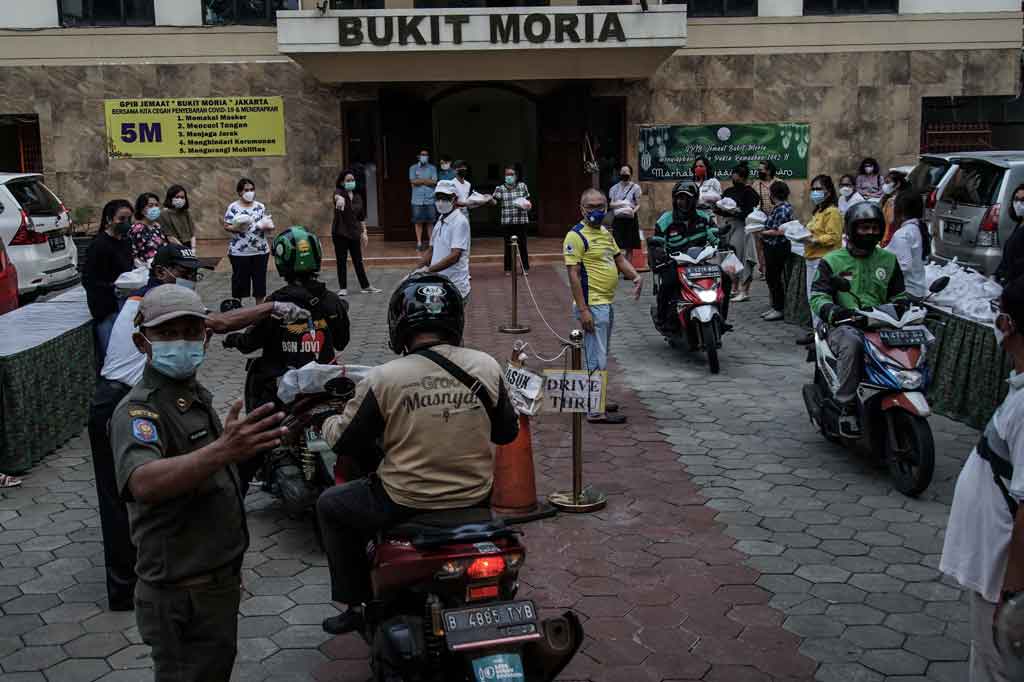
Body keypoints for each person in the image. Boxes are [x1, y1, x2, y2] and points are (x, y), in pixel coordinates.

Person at [91, 244, 308, 612]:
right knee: (122, 499)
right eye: (184, 271)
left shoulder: (159, 313)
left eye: (194, 273)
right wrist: (272, 307)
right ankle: (129, 586)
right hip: (121, 400)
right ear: (161, 272)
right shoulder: (156, 303)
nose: (191, 279)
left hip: (142, 397)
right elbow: (220, 323)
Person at [316, 272, 519, 635]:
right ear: (456, 319)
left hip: (404, 500)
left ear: (399, 324)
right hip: (474, 496)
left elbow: (344, 442)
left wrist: (329, 420)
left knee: (331, 505)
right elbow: (507, 432)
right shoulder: (487, 366)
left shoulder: (385, 378)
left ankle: (356, 603)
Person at [109, 284, 288, 681]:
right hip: (180, 593)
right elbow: (143, 482)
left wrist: (246, 451)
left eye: (191, 332)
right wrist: (223, 450)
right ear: (142, 342)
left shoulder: (191, 396)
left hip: (213, 582)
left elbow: (212, 477)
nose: (182, 342)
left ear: (206, 337)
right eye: (168, 334)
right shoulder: (139, 409)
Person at [940, 276, 1024, 682]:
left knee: (997, 668)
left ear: (1008, 324)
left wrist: (1012, 591)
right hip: (994, 573)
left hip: (1002, 577)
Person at [224, 226, 351, 411]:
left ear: (281, 260)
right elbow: (341, 342)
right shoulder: (333, 300)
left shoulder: (274, 303)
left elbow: (250, 342)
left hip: (281, 386)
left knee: (263, 425)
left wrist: (234, 339)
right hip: (324, 382)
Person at [809, 202, 908, 437]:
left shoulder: (888, 260)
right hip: (844, 326)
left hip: (882, 325)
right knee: (853, 343)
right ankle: (847, 404)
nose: (870, 232)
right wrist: (835, 312)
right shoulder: (832, 261)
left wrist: (906, 305)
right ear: (852, 230)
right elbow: (818, 297)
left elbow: (899, 294)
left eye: (875, 228)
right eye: (864, 228)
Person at [564, 189, 643, 425]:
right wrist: (584, 309)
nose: (596, 211)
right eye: (591, 207)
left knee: (600, 354)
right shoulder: (576, 236)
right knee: (595, 358)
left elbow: (618, 258)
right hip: (593, 306)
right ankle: (595, 410)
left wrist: (636, 276)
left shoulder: (606, 234)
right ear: (582, 209)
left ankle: (596, 398)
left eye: (601, 206)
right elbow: (573, 275)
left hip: (605, 304)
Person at [650, 181, 729, 330]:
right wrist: (659, 251)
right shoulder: (665, 220)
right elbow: (658, 241)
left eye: (687, 198)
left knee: (726, 279)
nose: (683, 202)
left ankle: (722, 318)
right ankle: (663, 319)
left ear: (694, 200)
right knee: (668, 283)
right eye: (680, 198)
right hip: (674, 262)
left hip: (700, 262)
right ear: (674, 199)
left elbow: (713, 233)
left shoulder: (704, 217)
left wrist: (722, 241)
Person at [83, 199, 135, 366]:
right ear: (109, 219)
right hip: (107, 309)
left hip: (125, 306)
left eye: (129, 219)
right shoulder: (99, 245)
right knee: (112, 356)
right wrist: (112, 289)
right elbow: (89, 280)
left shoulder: (126, 241)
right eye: (121, 219)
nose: (126, 223)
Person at [798, 174, 844, 343]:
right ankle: (817, 331)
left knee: (819, 297)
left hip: (823, 260)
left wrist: (814, 240)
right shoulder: (819, 211)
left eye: (819, 189)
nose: (815, 192)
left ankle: (822, 334)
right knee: (813, 298)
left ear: (829, 191)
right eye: (813, 189)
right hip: (811, 258)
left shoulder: (832, 212)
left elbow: (834, 237)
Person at [418, 180, 471, 303]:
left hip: (455, 287)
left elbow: (454, 256)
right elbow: (431, 250)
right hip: (439, 286)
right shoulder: (441, 219)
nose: (440, 202)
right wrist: (415, 271)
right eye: (438, 198)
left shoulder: (459, 222)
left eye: (445, 198)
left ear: (454, 199)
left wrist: (428, 270)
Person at [331, 170, 380, 296]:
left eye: (352, 180)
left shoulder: (358, 197)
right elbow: (336, 196)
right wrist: (340, 199)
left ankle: (366, 286)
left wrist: (364, 232)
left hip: (354, 232)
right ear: (342, 182)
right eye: (348, 180)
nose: (351, 182)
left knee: (358, 260)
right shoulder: (339, 192)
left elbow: (361, 217)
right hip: (340, 233)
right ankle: (343, 288)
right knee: (341, 260)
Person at [224, 177, 272, 304]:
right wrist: (236, 227)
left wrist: (267, 226)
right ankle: (237, 309)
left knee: (260, 283)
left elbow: (267, 225)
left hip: (260, 251)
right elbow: (227, 226)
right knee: (239, 283)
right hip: (240, 253)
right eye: (246, 190)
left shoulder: (260, 206)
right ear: (240, 192)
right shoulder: (233, 207)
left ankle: (259, 312)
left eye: (252, 189)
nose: (250, 192)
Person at [718, 163, 761, 303]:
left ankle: (745, 290)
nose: (734, 177)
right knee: (728, 258)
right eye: (733, 175)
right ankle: (734, 287)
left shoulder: (750, 192)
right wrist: (716, 206)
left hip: (742, 226)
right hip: (727, 225)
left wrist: (736, 210)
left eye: (736, 175)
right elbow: (720, 208)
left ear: (743, 177)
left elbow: (750, 211)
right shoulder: (729, 191)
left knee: (741, 256)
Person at [760, 181, 795, 322]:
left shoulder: (783, 209)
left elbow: (778, 231)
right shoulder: (780, 207)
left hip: (777, 247)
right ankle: (775, 306)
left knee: (775, 278)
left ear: (774, 194)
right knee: (771, 277)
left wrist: (763, 232)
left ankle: (779, 308)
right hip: (772, 247)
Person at [885, 190, 929, 299]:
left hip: (905, 292)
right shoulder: (917, 228)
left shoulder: (903, 234)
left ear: (900, 210)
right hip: (917, 290)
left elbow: (904, 265)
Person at [490, 165, 532, 274]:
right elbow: (494, 201)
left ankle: (525, 268)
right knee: (508, 246)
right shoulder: (500, 188)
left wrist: (527, 205)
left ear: (516, 176)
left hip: (521, 221)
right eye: (507, 174)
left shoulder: (522, 186)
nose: (509, 176)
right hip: (507, 222)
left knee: (522, 245)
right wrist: (488, 199)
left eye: (511, 174)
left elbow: (527, 201)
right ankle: (508, 269)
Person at [609, 164, 642, 266]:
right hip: (618, 219)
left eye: (626, 173)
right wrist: (622, 203)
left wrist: (633, 211)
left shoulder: (635, 188)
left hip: (630, 219)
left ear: (631, 174)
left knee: (629, 246)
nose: (624, 175)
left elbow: (638, 204)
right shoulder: (614, 188)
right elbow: (611, 204)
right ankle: (617, 269)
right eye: (622, 173)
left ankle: (628, 270)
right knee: (616, 245)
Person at [409, 149, 437, 253]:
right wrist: (426, 181)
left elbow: (434, 182)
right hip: (417, 200)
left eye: (426, 155)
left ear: (428, 157)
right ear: (419, 156)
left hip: (430, 199)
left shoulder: (432, 168)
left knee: (430, 222)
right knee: (418, 222)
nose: (424, 156)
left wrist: (420, 180)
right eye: (422, 155)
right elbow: (412, 181)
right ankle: (419, 243)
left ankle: (431, 243)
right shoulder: (413, 168)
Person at [128, 193, 170, 263]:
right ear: (141, 209)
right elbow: (134, 254)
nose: (154, 208)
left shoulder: (157, 227)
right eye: (150, 206)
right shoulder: (137, 229)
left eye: (156, 205)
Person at [996, 183, 1024, 286]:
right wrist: (996, 274)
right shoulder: (1019, 224)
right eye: (1016, 199)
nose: (1018, 204)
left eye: (1023, 200)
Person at [160, 185, 196, 252]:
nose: (180, 199)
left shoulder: (185, 212)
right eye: (177, 197)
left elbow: (192, 233)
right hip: (174, 246)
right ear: (170, 198)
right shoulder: (164, 214)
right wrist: (184, 250)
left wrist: (193, 248)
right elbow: (170, 236)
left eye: (182, 197)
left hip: (188, 245)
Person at [880, 170, 910, 247]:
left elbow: (891, 220)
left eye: (888, 182)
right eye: (884, 182)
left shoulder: (898, 201)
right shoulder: (888, 198)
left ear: (898, 184)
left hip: (894, 239)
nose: (885, 185)